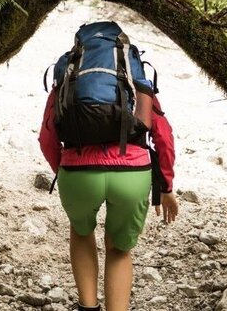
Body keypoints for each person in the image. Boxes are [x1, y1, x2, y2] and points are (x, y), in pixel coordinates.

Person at [38, 87, 178, 311]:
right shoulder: (136, 76)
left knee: (81, 232)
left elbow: (47, 138)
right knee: (118, 249)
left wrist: (65, 169)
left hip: (78, 173)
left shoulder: (70, 73)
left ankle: (88, 306)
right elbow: (163, 136)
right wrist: (166, 185)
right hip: (131, 175)